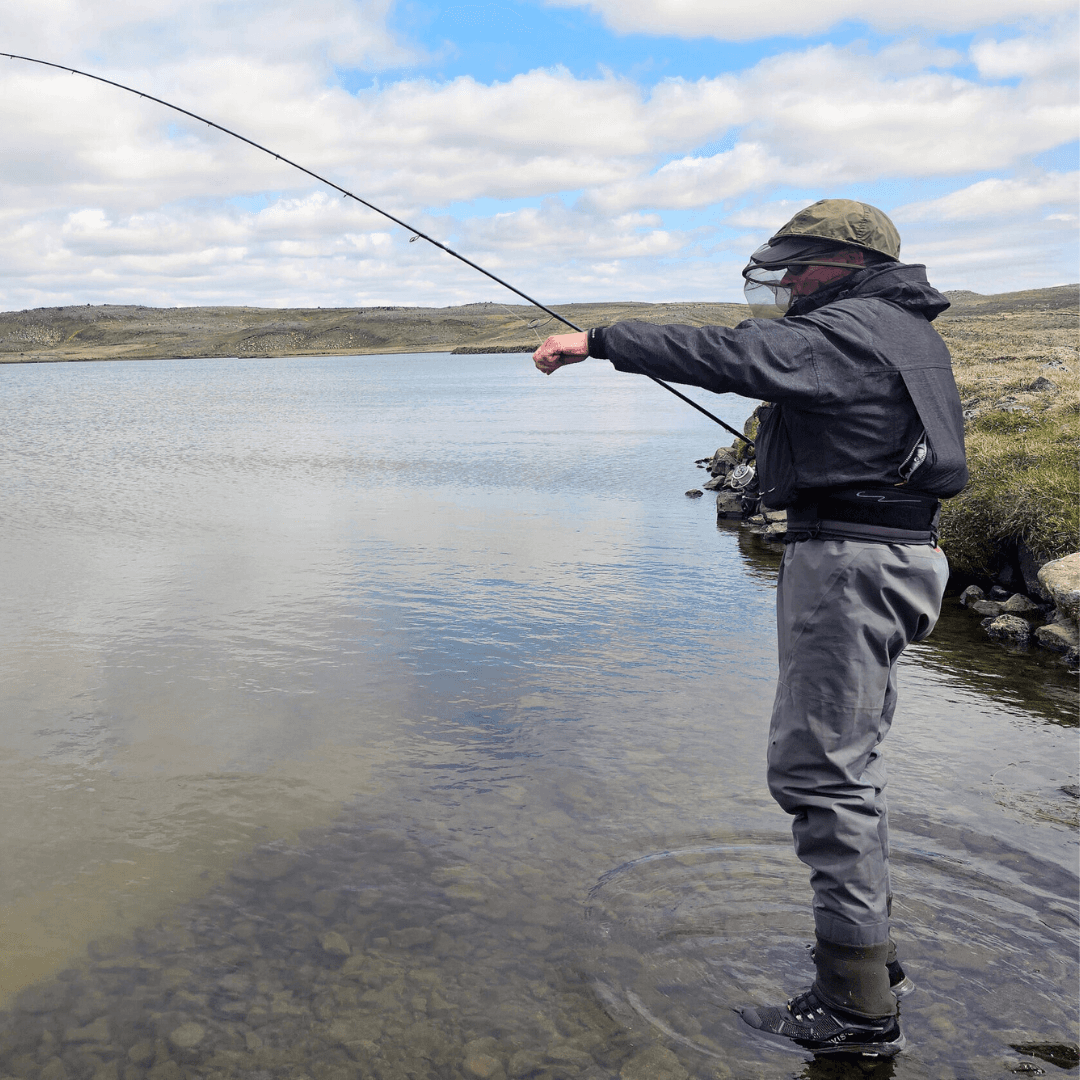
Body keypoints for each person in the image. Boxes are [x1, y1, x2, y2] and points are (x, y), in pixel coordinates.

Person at [532, 199, 967, 1057]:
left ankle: (855, 1012)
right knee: (849, 768)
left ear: (848, 263)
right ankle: (872, 961)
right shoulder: (905, 328)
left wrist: (601, 341)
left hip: (851, 565)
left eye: (800, 265)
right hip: (897, 556)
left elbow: (733, 354)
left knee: (819, 775)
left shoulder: (849, 328)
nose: (789, 281)